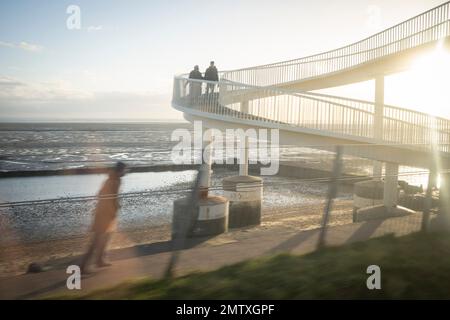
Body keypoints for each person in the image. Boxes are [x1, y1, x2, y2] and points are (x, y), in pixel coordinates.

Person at [80, 161, 126, 273]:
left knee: (106, 237)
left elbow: (100, 194)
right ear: (120, 170)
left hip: (103, 213)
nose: (125, 172)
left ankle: (99, 260)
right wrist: (116, 207)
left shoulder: (110, 179)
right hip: (105, 214)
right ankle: (83, 266)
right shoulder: (115, 180)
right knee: (97, 240)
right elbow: (113, 198)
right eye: (124, 170)